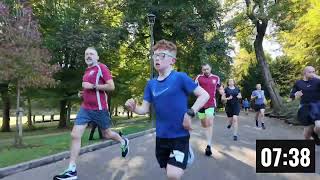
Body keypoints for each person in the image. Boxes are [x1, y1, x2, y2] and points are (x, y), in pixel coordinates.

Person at [125, 39, 209, 180]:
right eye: (155, 55)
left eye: (162, 55)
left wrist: (190, 112)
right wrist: (134, 108)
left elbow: (204, 95)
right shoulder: (151, 84)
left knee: (173, 174)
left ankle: (185, 153)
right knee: (168, 172)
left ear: (172, 61)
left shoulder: (180, 78)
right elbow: (144, 109)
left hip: (179, 136)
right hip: (161, 137)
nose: (157, 58)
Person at [53, 47, 129, 180]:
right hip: (85, 108)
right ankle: (71, 170)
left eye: (91, 54)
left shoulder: (102, 68)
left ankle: (123, 141)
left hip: (99, 109)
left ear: (97, 57)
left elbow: (111, 86)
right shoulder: (87, 71)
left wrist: (92, 87)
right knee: (75, 135)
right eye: (86, 54)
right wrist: (83, 93)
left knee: (107, 134)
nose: (88, 56)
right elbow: (89, 88)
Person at [194, 63, 221, 156]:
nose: (206, 71)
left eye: (207, 69)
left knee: (209, 121)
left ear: (210, 68)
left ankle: (208, 145)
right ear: (202, 70)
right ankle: (207, 136)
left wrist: (223, 93)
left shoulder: (216, 78)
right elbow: (194, 89)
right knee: (204, 124)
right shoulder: (199, 78)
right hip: (201, 104)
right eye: (204, 69)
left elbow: (219, 87)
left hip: (211, 103)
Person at [290, 66, 320, 145]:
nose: (312, 74)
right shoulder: (298, 83)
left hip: (317, 106)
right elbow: (291, 96)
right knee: (307, 133)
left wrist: (317, 76)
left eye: (314, 71)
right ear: (305, 73)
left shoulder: (317, 81)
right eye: (310, 72)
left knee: (319, 126)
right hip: (304, 107)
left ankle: (314, 133)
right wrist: (295, 95)